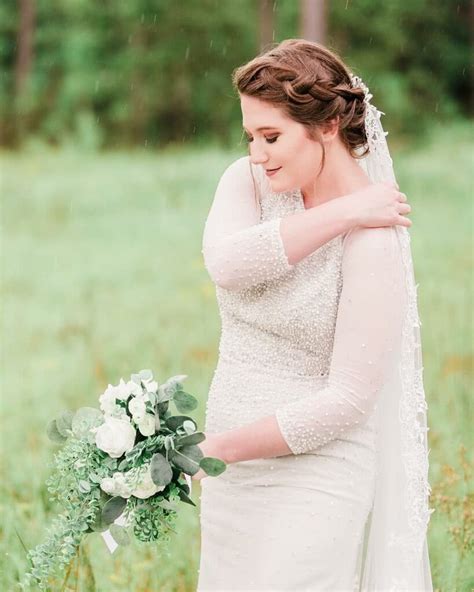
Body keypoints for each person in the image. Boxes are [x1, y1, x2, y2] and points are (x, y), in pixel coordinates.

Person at [194, 39, 433, 591]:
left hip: (315, 478)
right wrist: (348, 208)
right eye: (250, 136)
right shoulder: (247, 182)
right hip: (232, 479)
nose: (258, 153)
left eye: (271, 136)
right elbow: (228, 264)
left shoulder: (376, 241)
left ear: (327, 124)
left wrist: (218, 448)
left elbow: (346, 402)